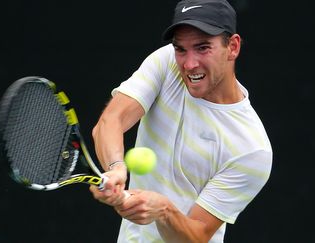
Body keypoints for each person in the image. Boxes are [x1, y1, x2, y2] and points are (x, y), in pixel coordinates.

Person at [89, 0, 273, 242]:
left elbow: (197, 237)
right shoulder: (166, 63)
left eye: (203, 47)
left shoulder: (252, 149)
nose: (189, 63)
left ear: (233, 47)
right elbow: (111, 120)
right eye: (181, 49)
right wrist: (116, 168)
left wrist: (164, 210)